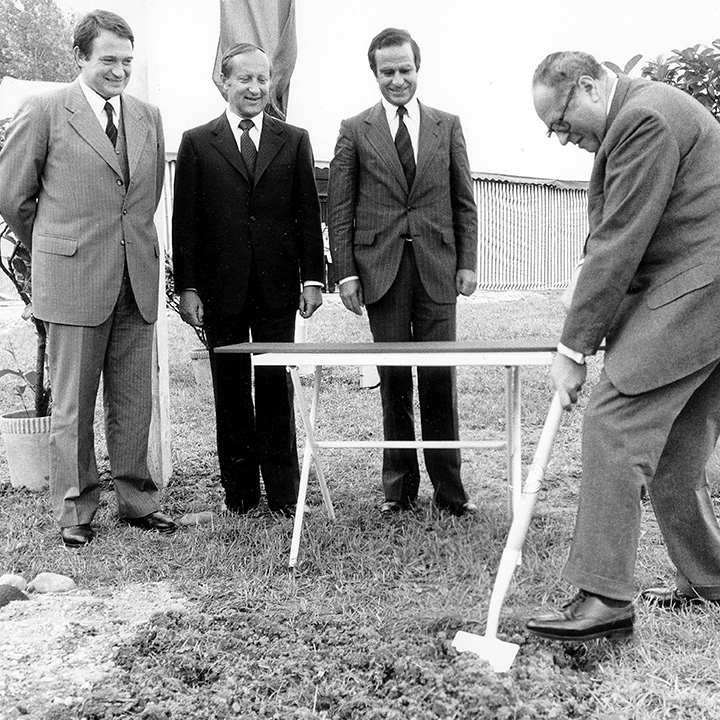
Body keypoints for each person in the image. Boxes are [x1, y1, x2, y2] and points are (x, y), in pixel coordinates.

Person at [526, 51, 720, 642]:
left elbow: (622, 239)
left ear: (587, 86)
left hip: (697, 295)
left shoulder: (645, 118)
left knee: (613, 422)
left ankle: (604, 597)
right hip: (705, 296)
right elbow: (621, 230)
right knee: (678, 448)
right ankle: (711, 577)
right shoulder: (647, 110)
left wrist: (573, 347)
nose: (561, 140)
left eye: (560, 123)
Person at [0, 10, 175, 547]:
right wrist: (56, 248)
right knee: (73, 403)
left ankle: (136, 500)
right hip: (73, 278)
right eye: (107, 61)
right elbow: (11, 196)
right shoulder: (46, 110)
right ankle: (76, 510)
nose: (119, 71)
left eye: (126, 61)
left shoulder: (148, 115)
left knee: (132, 399)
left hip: (135, 279)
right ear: (80, 58)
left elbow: (144, 199)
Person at [327, 28, 479, 517]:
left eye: (405, 70)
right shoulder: (355, 128)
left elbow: (464, 201)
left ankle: (451, 493)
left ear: (418, 68)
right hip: (381, 270)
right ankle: (399, 491)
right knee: (394, 378)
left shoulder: (446, 125)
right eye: (387, 71)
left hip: (438, 268)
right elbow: (341, 208)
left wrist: (469, 261)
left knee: (439, 377)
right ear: (374, 72)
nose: (397, 80)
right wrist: (346, 273)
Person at [172, 43, 324, 517]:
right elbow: (186, 222)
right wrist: (190, 287)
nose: (255, 88)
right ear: (224, 82)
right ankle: (239, 495)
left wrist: (313, 280)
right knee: (230, 388)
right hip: (221, 290)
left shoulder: (293, 139)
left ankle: (283, 495)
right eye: (245, 80)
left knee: (276, 384)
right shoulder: (198, 142)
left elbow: (306, 214)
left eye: (263, 79)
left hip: (278, 287)